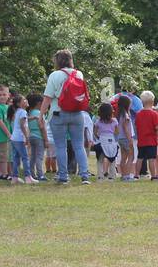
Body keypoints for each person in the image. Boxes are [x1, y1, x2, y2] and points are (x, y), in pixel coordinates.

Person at [43, 49, 92, 185]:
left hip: (58, 113)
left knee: (60, 146)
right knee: (79, 146)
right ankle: (84, 175)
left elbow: (47, 98)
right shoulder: (79, 74)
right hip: (77, 114)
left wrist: (41, 114)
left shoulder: (54, 75)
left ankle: (63, 176)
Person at [9, 93, 36, 184]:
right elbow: (22, 125)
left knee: (16, 158)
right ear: (19, 104)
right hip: (20, 138)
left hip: (14, 138)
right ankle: (28, 177)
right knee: (25, 158)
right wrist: (27, 137)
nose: (26, 101)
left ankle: (14, 178)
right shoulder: (23, 112)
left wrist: (33, 117)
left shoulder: (18, 111)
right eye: (23, 100)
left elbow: (24, 119)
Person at [134, 91, 158, 180]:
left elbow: (137, 125)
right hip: (151, 140)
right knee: (151, 159)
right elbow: (157, 127)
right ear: (152, 101)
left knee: (140, 158)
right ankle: (153, 176)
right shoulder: (154, 114)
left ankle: (136, 175)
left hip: (141, 140)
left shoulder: (138, 114)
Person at [94, 102, 120, 179]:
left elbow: (95, 132)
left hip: (101, 140)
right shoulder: (114, 121)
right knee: (112, 158)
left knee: (100, 159)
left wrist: (98, 138)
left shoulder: (98, 122)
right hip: (111, 140)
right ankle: (112, 175)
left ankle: (100, 175)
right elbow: (117, 132)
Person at [26, 93, 46, 181]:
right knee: (39, 156)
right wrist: (46, 140)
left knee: (33, 156)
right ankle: (40, 174)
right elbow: (42, 127)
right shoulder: (39, 113)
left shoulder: (29, 113)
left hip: (31, 136)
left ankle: (31, 173)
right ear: (39, 103)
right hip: (39, 137)